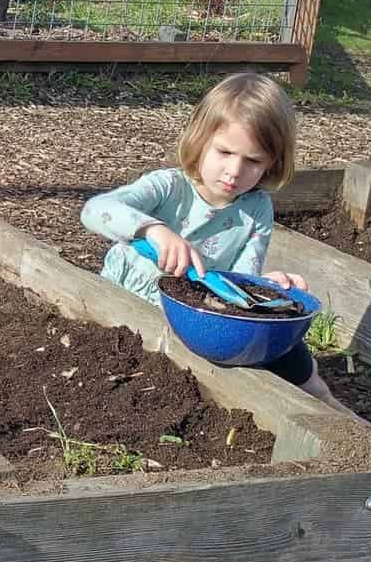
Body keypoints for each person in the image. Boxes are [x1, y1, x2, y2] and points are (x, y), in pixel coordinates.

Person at [81, 73, 348, 410]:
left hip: (198, 317)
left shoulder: (255, 209)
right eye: (224, 152)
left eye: (253, 161)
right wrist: (154, 230)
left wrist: (269, 290)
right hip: (129, 307)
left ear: (272, 163)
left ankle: (327, 402)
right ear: (200, 140)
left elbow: (238, 290)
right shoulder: (169, 188)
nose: (234, 171)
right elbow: (95, 209)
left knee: (288, 347)